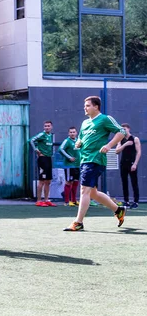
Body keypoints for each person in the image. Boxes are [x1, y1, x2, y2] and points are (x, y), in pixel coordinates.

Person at [64, 96, 127, 232]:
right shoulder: (85, 123)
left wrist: (109, 145)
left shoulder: (105, 119)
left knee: (84, 190)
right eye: (84, 105)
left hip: (96, 160)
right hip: (84, 160)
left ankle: (78, 222)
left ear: (96, 106)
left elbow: (121, 131)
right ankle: (118, 210)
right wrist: (78, 142)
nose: (85, 108)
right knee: (92, 193)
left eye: (87, 105)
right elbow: (80, 137)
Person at [115, 123, 141, 208]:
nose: (124, 131)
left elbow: (139, 152)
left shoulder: (135, 139)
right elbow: (117, 151)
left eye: (125, 129)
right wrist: (125, 144)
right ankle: (126, 201)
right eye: (122, 129)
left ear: (128, 129)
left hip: (132, 163)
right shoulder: (120, 139)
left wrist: (135, 163)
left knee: (134, 182)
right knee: (124, 182)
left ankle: (136, 202)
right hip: (123, 163)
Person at [30, 121, 55, 206]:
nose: (47, 127)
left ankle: (46, 199)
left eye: (48, 126)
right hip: (42, 159)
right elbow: (32, 140)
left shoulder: (51, 136)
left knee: (48, 181)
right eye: (45, 126)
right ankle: (39, 200)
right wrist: (36, 149)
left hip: (48, 158)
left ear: (51, 127)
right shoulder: (42, 135)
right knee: (42, 181)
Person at [59, 126, 81, 206]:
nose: (72, 133)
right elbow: (60, 149)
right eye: (71, 132)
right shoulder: (67, 141)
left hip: (77, 165)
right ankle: (66, 201)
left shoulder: (78, 141)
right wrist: (69, 157)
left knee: (76, 182)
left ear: (76, 133)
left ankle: (74, 200)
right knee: (69, 182)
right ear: (68, 133)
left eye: (74, 132)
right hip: (69, 166)